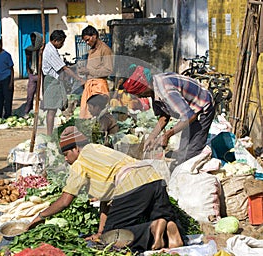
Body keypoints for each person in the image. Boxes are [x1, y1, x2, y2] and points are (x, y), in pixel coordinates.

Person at [28, 126, 184, 252]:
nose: (65, 158)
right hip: (153, 177)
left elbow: (65, 201)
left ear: (76, 149)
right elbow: (105, 202)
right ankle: (170, 229)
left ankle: (152, 229)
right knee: (168, 221)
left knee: (112, 238)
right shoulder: (96, 148)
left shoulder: (79, 163)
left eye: (66, 153)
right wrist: (100, 231)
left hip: (132, 184)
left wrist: (40, 216)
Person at [123, 65, 215, 165]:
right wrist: (152, 136)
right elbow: (165, 115)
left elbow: (190, 116)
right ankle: (183, 167)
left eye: (140, 93)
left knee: (192, 152)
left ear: (146, 86)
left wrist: (167, 135)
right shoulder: (154, 89)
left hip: (202, 106)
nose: (139, 96)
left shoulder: (165, 91)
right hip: (189, 111)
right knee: (183, 150)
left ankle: (193, 173)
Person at [42, 30, 85, 135]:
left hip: (55, 80)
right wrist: (78, 78)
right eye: (61, 42)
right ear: (56, 41)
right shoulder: (50, 51)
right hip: (52, 81)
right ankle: (49, 133)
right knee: (51, 110)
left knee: (58, 106)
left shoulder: (51, 49)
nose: (62, 45)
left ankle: (52, 131)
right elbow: (64, 68)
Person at [78, 25, 113, 119]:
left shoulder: (105, 50)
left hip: (99, 87)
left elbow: (108, 70)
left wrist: (89, 71)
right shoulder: (91, 51)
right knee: (87, 116)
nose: (87, 42)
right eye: (85, 41)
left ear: (94, 36)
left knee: (99, 116)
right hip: (89, 86)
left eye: (88, 39)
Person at [24, 32, 43, 116]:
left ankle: (40, 111)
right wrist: (28, 71)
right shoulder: (29, 49)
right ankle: (27, 112)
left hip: (41, 74)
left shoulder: (42, 50)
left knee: (40, 95)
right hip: (33, 74)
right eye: (32, 40)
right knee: (30, 95)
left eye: (34, 40)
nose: (33, 42)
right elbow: (27, 62)